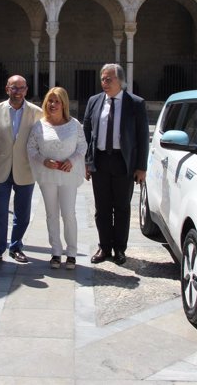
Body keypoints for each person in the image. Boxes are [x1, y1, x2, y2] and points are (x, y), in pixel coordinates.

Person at [83, 63, 149, 266]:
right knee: (101, 207)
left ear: (120, 81)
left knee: (121, 207)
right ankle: (104, 247)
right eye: (102, 79)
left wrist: (141, 167)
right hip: (101, 160)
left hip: (123, 162)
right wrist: (87, 161)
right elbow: (86, 131)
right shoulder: (94, 101)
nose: (104, 83)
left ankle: (120, 248)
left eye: (109, 79)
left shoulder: (135, 103)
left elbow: (142, 136)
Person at [0, 75, 42, 268]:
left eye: (22, 88)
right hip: (2, 168)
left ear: (27, 90)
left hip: (25, 170)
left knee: (22, 213)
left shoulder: (36, 113)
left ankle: (16, 246)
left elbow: (40, 141)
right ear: (7, 89)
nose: (18, 92)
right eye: (14, 88)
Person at [27, 87, 86, 269]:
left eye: (57, 101)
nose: (53, 105)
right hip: (48, 176)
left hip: (68, 175)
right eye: (50, 101)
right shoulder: (39, 125)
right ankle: (55, 252)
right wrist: (43, 160)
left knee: (68, 214)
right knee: (51, 214)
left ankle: (72, 253)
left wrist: (72, 160)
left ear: (64, 104)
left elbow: (82, 146)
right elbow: (31, 148)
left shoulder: (74, 124)